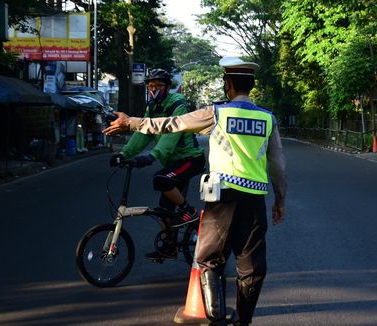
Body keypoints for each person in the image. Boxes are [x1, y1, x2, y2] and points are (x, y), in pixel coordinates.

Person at [103, 57, 287, 326]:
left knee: (208, 259)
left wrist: (130, 121)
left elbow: (170, 124)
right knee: (252, 267)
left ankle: (215, 318)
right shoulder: (267, 118)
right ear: (252, 85)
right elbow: (278, 165)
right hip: (255, 201)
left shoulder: (217, 113)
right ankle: (243, 321)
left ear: (229, 84)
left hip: (222, 198)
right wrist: (280, 199)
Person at [109, 68, 206, 261]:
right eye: (151, 86)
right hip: (173, 162)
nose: (153, 89)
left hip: (189, 159)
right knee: (165, 210)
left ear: (169, 87)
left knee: (161, 179)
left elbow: (171, 134)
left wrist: (152, 156)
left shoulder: (177, 103)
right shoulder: (152, 107)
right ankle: (170, 246)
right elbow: (144, 132)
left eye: (158, 85)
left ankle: (190, 211)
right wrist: (124, 153)